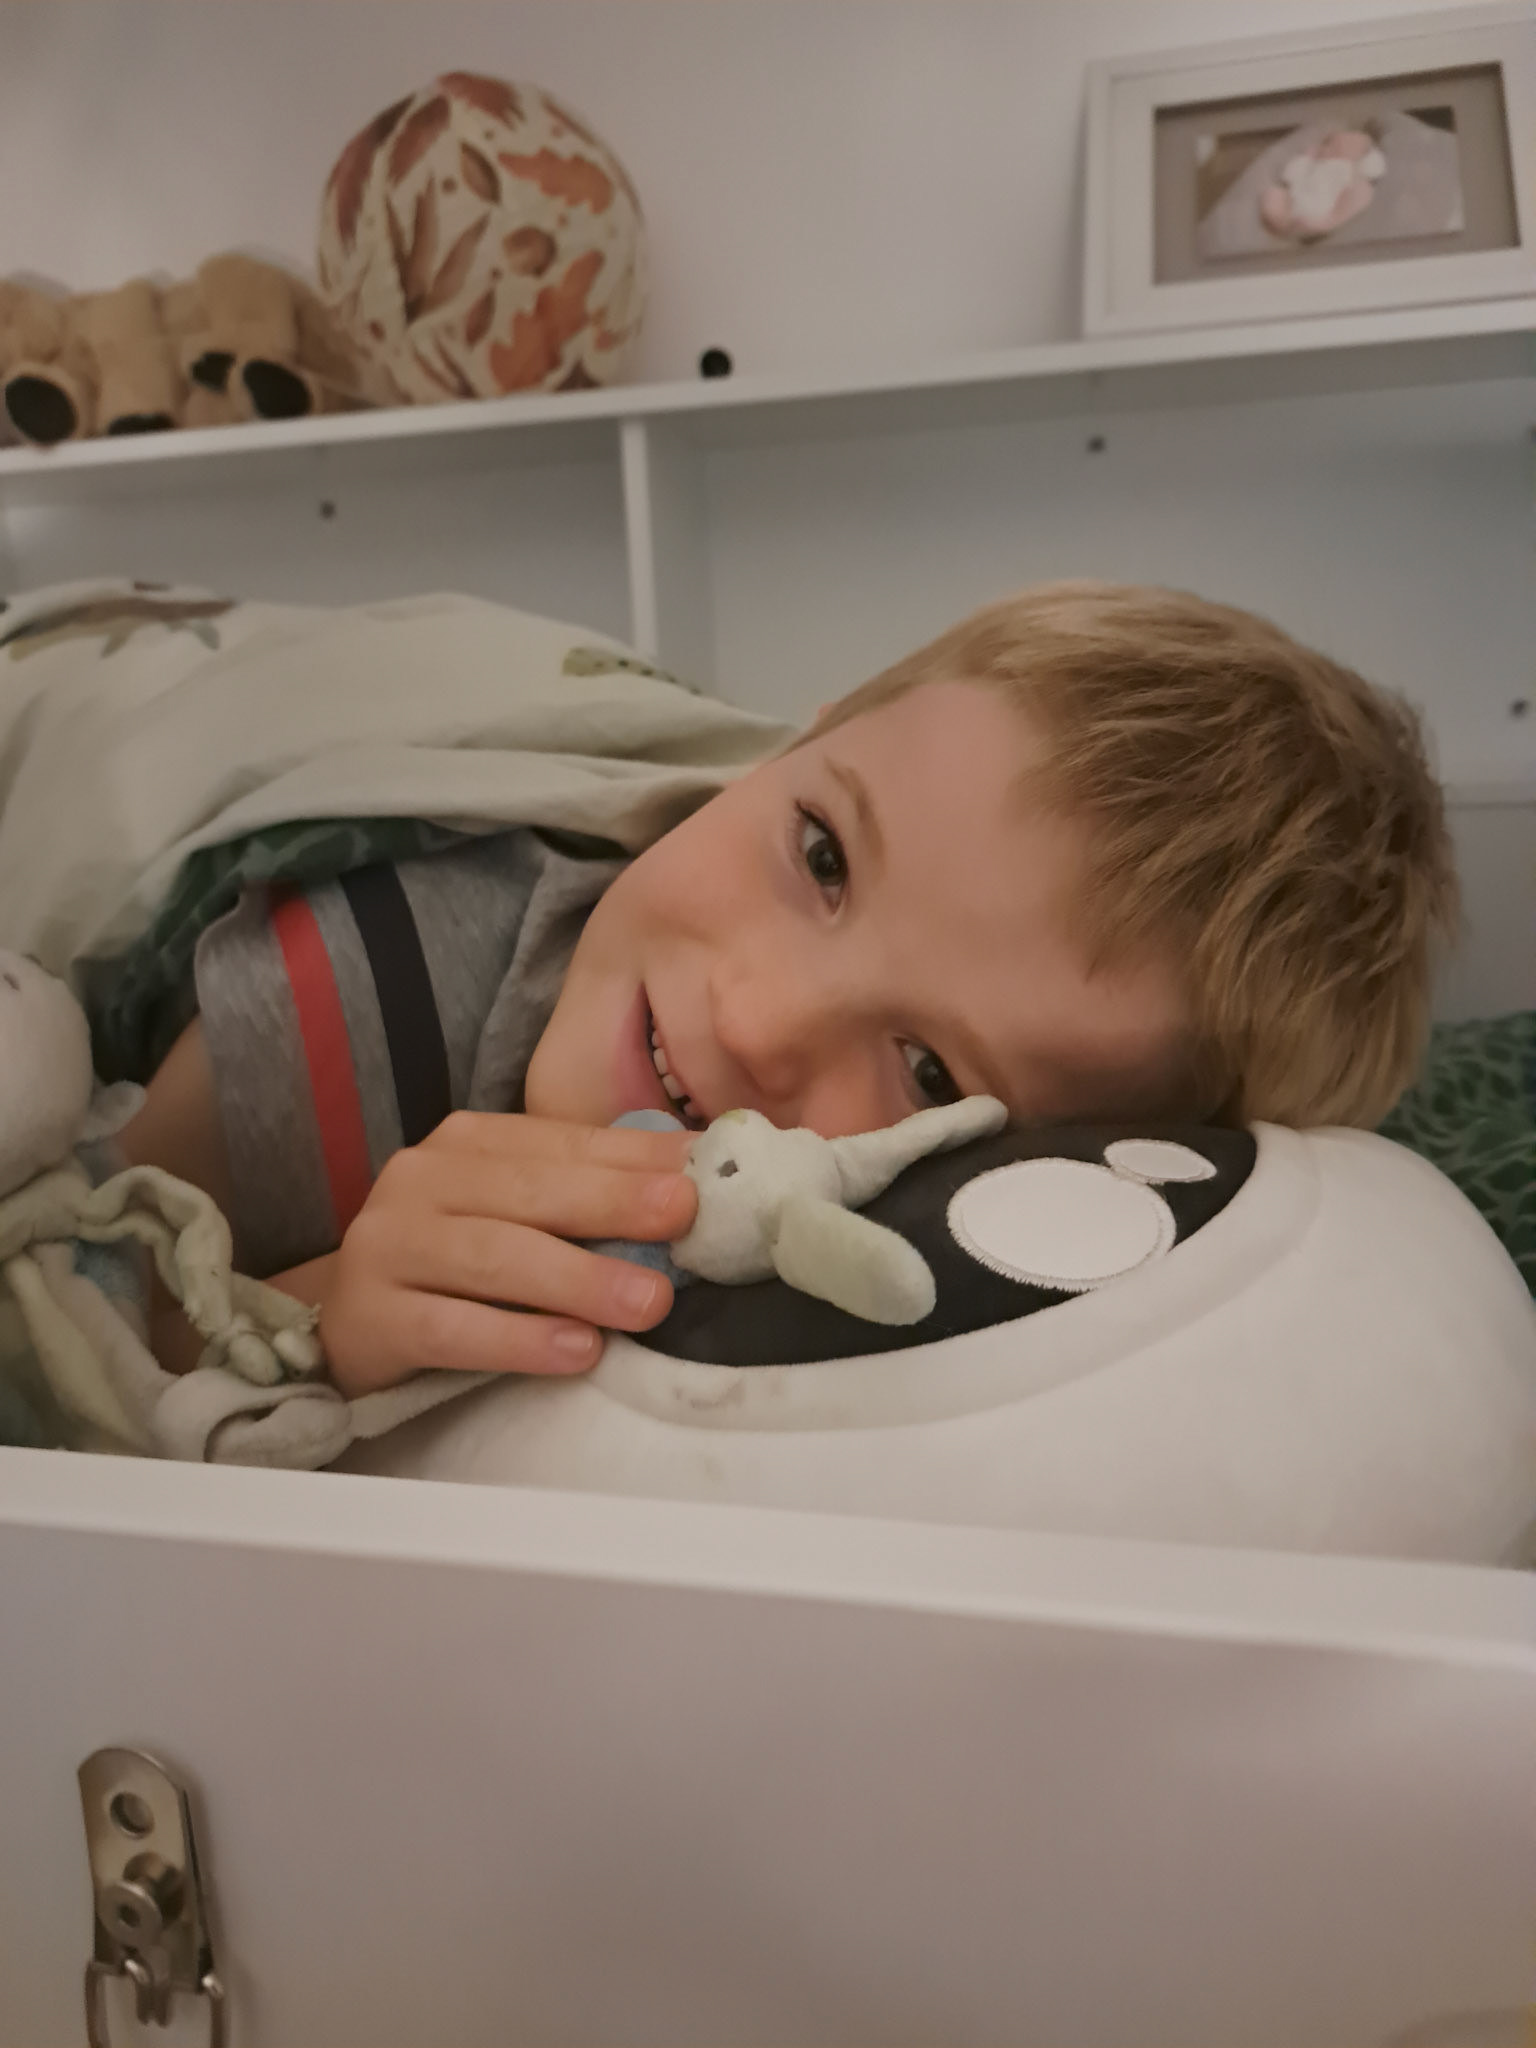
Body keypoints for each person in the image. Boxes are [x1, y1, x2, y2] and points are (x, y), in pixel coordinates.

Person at [118, 580, 1457, 1397]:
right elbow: (86, 1300)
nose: (756, 1021)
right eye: (821, 854)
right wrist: (324, 1319)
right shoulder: (353, 987)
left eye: (929, 1072)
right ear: (791, 749)